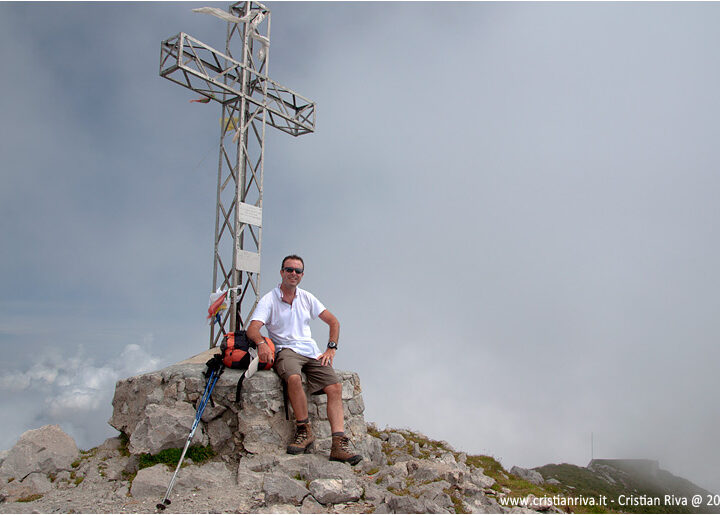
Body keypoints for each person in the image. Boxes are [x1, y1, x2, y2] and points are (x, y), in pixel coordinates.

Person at [246, 254, 362, 465]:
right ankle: (304, 430)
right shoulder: (270, 299)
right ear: (281, 272)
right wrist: (261, 343)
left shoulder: (307, 297)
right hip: (286, 350)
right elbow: (253, 328)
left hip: (310, 351)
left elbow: (333, 321)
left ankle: (338, 444)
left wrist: (331, 349)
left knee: (334, 386)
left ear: (302, 275)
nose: (293, 274)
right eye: (289, 270)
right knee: (293, 378)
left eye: (297, 271)